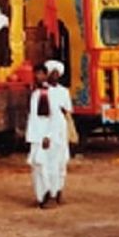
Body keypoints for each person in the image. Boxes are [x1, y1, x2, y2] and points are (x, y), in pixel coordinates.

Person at [26, 63, 69, 208]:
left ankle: (53, 194)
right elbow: (34, 118)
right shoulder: (36, 94)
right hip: (37, 136)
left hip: (48, 137)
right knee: (38, 166)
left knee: (51, 166)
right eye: (36, 74)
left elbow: (56, 117)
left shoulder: (51, 94)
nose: (38, 77)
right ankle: (41, 196)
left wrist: (48, 136)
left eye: (41, 74)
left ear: (46, 75)